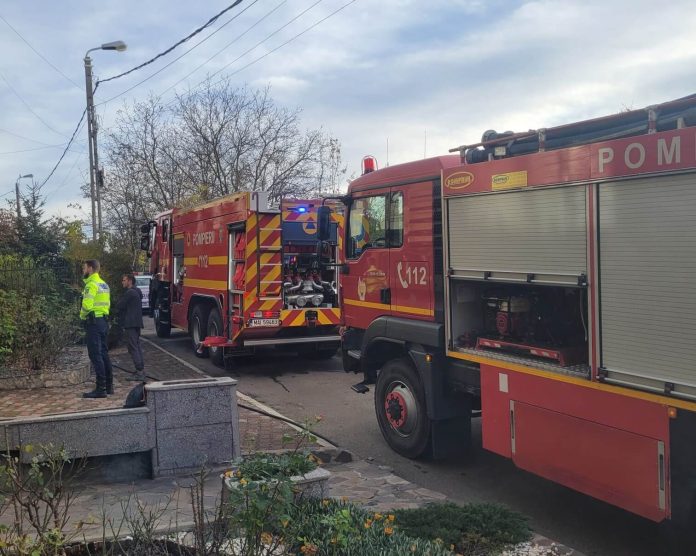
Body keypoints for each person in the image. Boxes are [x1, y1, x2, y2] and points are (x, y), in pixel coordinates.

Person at [80, 259, 114, 398]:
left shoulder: (91, 285)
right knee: (104, 353)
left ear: (90, 269)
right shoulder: (104, 284)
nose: (83, 270)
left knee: (95, 354)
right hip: (103, 322)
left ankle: (101, 389)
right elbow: (107, 304)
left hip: (93, 323)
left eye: (84, 268)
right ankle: (109, 386)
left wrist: (82, 316)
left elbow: (87, 306)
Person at [116, 273, 146, 382]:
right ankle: (140, 370)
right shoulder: (137, 291)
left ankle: (139, 372)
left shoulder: (130, 293)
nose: (122, 282)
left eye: (124, 280)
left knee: (133, 347)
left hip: (131, 323)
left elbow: (120, 305)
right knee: (136, 346)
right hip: (137, 323)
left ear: (130, 281)